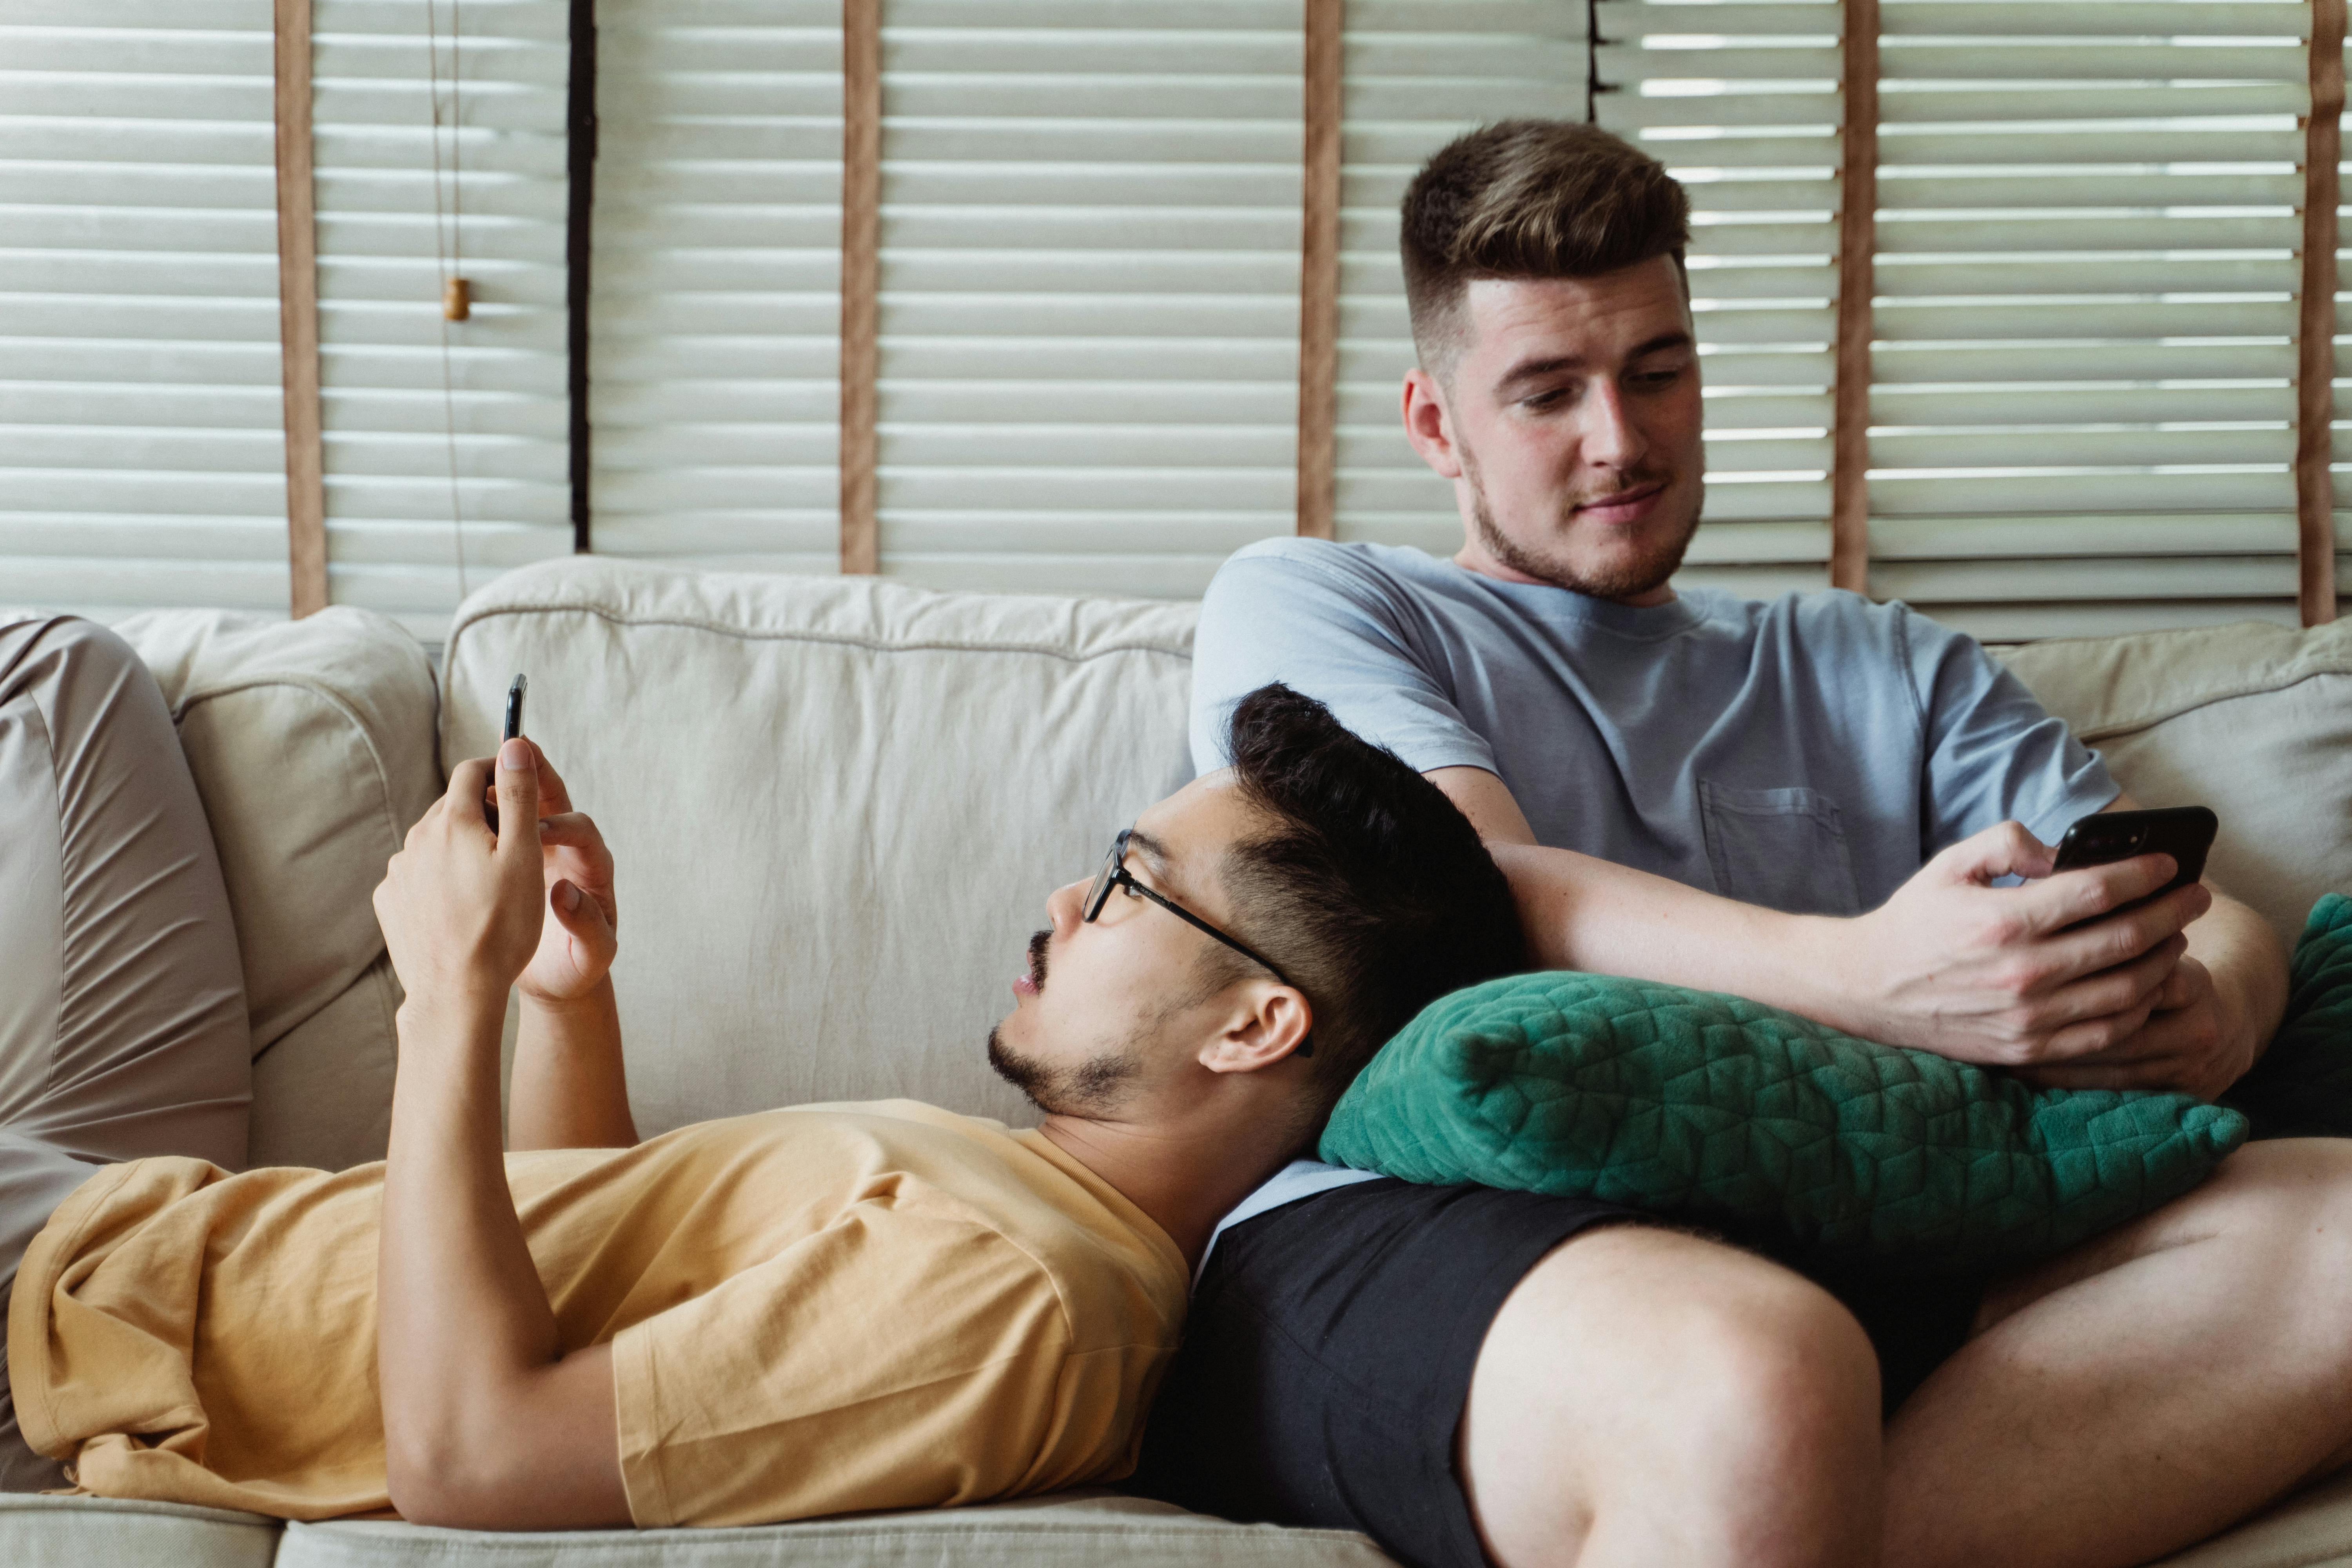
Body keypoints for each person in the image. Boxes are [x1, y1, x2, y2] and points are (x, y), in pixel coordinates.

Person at [1129, 119, 2352, 1568]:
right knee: (1754, 1384)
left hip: (1871, 1223)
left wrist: (2217, 1013)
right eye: (1547, 394)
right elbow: (1465, 888)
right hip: (1426, 1228)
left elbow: (2193, 902)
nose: (1622, 440)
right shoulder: (1328, 602)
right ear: (1435, 425)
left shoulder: (1876, 661)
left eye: (1660, 371)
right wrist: (1872, 976)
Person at [0, 616, 1525, 1529]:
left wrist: (445, 1003)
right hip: (137, 1216)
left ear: (1254, 1025)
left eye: (1131, 886)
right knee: (57, 668)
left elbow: (473, 1454)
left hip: (76, 1312)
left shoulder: (1019, 1295)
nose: (1066, 903)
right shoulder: (1019, 1198)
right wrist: (561, 1000)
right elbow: (574, 1256)